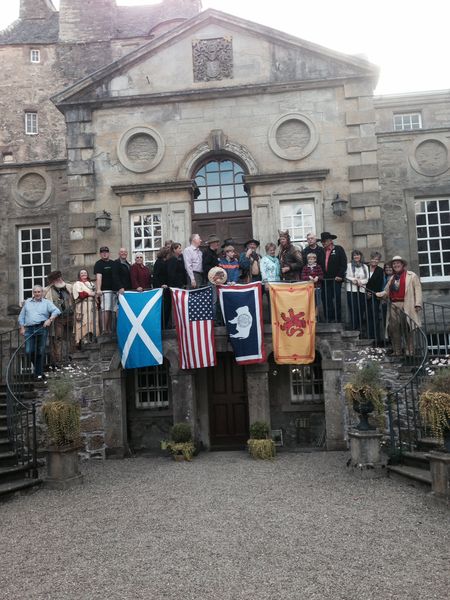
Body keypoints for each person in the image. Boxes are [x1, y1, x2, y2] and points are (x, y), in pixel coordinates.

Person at [376, 256, 423, 357]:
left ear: (402, 265)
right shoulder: (392, 278)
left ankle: (410, 351)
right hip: (393, 305)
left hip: (406, 304)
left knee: (408, 327)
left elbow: (417, 290)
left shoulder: (412, 275)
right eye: (394, 264)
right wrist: (380, 294)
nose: (396, 265)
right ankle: (397, 351)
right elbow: (386, 291)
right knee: (394, 329)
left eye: (398, 263)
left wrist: (418, 303)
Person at [18, 285, 60, 379]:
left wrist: (50, 319)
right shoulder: (27, 302)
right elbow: (21, 316)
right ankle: (39, 370)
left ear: (42, 293)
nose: (37, 294)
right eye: (35, 292)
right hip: (29, 329)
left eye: (39, 292)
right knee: (29, 351)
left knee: (40, 351)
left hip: (41, 328)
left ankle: (39, 374)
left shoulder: (46, 302)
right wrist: (22, 327)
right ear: (33, 293)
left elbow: (56, 311)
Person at [44, 270, 74, 367]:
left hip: (70, 316)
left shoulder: (69, 287)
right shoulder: (47, 290)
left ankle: (70, 356)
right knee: (58, 338)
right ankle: (59, 359)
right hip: (57, 318)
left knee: (70, 337)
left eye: (59, 277)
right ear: (53, 281)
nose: (59, 280)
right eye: (56, 278)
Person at [320, 231, 347, 323]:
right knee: (326, 300)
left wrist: (340, 275)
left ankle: (338, 319)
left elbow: (343, 264)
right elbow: (319, 265)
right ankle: (329, 318)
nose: (323, 243)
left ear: (330, 240)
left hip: (336, 279)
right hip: (325, 280)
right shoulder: (321, 251)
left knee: (337, 299)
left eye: (325, 241)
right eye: (322, 241)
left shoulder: (339, 249)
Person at [72, 269, 99, 346]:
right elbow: (80, 294)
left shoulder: (91, 284)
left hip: (92, 305)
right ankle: (84, 340)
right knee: (84, 322)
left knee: (93, 322)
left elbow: (96, 294)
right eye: (82, 273)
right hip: (83, 305)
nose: (84, 274)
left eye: (85, 272)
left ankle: (92, 338)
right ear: (79, 275)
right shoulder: (78, 284)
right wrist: (90, 294)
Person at [345, 250, 369, 331]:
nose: (356, 257)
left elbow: (367, 278)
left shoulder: (365, 266)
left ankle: (360, 327)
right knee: (353, 308)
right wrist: (354, 280)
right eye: (354, 255)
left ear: (360, 256)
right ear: (352, 257)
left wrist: (360, 282)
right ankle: (354, 326)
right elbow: (346, 276)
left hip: (362, 290)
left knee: (361, 309)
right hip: (352, 290)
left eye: (357, 255)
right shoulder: (348, 266)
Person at [94, 246, 115, 333]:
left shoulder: (113, 263)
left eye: (106, 252)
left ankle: (109, 329)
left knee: (110, 310)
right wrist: (98, 289)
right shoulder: (99, 264)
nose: (104, 253)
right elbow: (98, 277)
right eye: (102, 252)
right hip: (105, 291)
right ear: (100, 254)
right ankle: (104, 329)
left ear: (109, 253)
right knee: (105, 309)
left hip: (113, 290)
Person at [365, 251, 384, 342]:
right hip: (364, 295)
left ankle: (376, 338)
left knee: (374, 316)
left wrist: (372, 294)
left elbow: (379, 285)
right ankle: (368, 336)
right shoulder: (365, 268)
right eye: (373, 259)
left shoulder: (380, 270)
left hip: (374, 296)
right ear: (370, 259)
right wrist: (365, 293)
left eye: (377, 259)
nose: (375, 261)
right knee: (367, 316)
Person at [153, 246, 171, 327]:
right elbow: (156, 276)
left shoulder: (166, 262)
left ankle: (165, 325)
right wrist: (160, 285)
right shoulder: (159, 262)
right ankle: (162, 326)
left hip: (167, 289)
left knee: (167, 308)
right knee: (163, 308)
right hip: (161, 289)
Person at [301, 252, 324, 318]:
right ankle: (309, 316)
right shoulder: (305, 267)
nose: (310, 260)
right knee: (309, 302)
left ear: (315, 260)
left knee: (317, 303)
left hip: (317, 288)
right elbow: (302, 276)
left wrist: (317, 277)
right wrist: (308, 277)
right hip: (308, 288)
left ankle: (315, 316)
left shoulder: (318, 267)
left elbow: (321, 275)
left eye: (312, 259)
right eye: (309, 259)